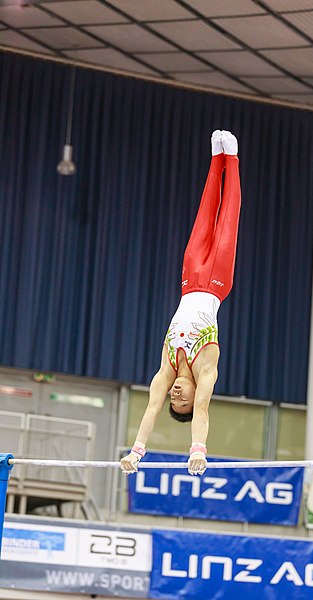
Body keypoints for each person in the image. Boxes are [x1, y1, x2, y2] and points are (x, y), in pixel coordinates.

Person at [120, 130, 241, 477]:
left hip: (189, 281)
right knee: (226, 217)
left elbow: (149, 411)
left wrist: (136, 453)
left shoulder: (166, 368)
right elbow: (202, 411)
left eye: (174, 399)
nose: (175, 394)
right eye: (181, 399)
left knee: (204, 215)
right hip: (216, 282)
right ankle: (230, 160)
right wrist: (197, 450)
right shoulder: (207, 368)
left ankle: (214, 158)